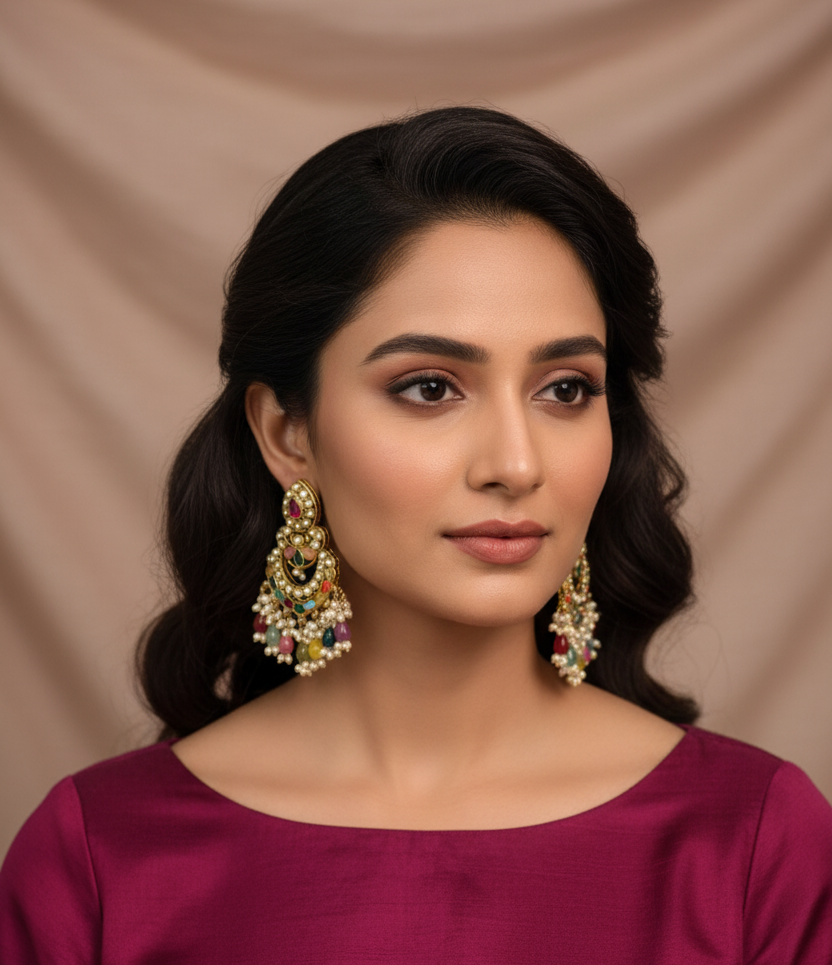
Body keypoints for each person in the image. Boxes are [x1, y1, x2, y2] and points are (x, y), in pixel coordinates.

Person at [1, 107, 829, 962]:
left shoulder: (754, 846)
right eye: (431, 388)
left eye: (566, 390)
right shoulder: (102, 858)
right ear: (289, 434)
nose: (515, 462)